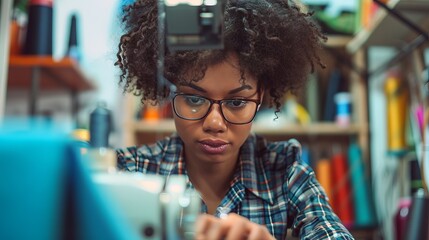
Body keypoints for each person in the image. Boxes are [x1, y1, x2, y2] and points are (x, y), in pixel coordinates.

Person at [115, 0, 354, 239]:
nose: (215, 124)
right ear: (171, 93)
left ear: (260, 96)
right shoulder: (131, 174)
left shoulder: (286, 173)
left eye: (237, 102)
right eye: (195, 100)